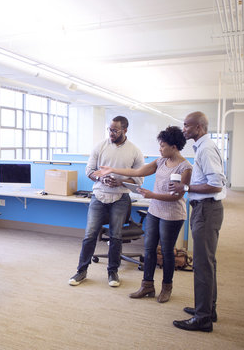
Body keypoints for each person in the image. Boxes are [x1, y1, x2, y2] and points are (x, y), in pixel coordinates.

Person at [93, 126, 192, 303]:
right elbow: (137, 172)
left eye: (163, 146)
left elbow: (177, 196)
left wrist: (151, 195)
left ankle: (166, 287)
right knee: (149, 249)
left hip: (173, 214)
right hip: (154, 211)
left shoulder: (185, 168)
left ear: (174, 146)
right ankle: (147, 286)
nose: (160, 149)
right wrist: (112, 170)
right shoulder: (160, 161)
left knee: (167, 252)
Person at [68, 116, 144, 287]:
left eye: (115, 130)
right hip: (99, 195)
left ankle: (113, 272)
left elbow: (139, 179)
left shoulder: (134, 151)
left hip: (120, 197)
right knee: (90, 234)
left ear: (125, 130)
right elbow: (89, 171)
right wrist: (101, 179)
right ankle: (81, 271)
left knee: (115, 236)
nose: (111, 133)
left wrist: (120, 182)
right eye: (110, 129)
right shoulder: (100, 146)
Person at [170, 111, 226, 333]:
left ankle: (203, 319)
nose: (183, 129)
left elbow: (216, 184)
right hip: (205, 209)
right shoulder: (202, 147)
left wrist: (185, 188)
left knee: (203, 264)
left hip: (207, 209)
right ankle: (207, 310)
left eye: (186, 126)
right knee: (207, 262)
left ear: (198, 128)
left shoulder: (206, 149)